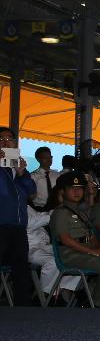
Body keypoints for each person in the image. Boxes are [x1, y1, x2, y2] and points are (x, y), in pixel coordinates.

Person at [50, 171, 100, 307]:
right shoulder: (60, 212)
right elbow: (65, 239)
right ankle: (95, 303)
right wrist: (93, 252)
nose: (77, 192)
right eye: (72, 188)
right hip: (71, 254)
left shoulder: (81, 212)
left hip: (86, 252)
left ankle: (88, 293)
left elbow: (91, 236)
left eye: (80, 188)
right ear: (63, 191)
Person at [0, 127, 36, 305]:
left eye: (10, 139)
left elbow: (31, 191)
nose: (6, 142)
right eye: (1, 139)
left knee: (21, 265)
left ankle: (23, 306)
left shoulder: (18, 168)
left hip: (18, 225)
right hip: (1, 224)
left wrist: (21, 173)